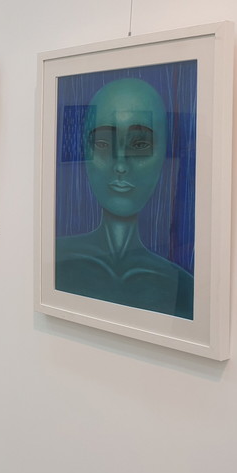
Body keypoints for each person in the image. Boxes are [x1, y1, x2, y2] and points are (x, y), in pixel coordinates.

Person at [55, 78, 193, 319]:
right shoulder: (55, 257)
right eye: (103, 143)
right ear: (86, 150)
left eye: (139, 145)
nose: (120, 165)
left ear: (164, 156)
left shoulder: (182, 287)